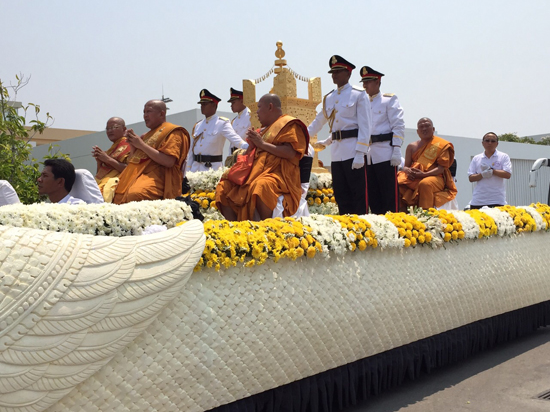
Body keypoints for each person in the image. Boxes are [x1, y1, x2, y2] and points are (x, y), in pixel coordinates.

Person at [216, 94, 309, 221]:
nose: (257, 112)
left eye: (259, 107)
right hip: (255, 174)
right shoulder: (262, 131)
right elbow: (251, 157)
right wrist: (251, 147)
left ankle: (265, 227)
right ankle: (236, 226)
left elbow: (290, 153)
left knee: (261, 186)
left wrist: (262, 144)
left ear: (270, 107)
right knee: (224, 186)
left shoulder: (289, 124)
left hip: (279, 176)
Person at [308, 55, 372, 215]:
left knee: (358, 194)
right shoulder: (330, 98)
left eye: (338, 71)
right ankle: (345, 225)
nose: (334, 75)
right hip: (337, 152)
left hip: (353, 150)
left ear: (348, 73)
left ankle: (362, 225)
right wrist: (303, 135)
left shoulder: (358, 94)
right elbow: (319, 121)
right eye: (332, 72)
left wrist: (360, 152)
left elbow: (365, 126)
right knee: (341, 193)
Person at [113, 100, 190, 204]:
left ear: (161, 114)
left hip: (159, 177)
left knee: (135, 194)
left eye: (148, 111)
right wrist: (133, 145)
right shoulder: (146, 136)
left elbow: (169, 161)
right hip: (137, 176)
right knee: (115, 194)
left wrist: (141, 145)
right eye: (144, 112)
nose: (145, 115)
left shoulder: (173, 132)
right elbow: (132, 161)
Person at [360, 66, 405, 214]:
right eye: (363, 82)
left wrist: (397, 149)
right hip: (368, 154)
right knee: (373, 197)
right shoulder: (362, 102)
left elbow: (398, 125)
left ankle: (393, 224)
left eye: (368, 81)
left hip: (385, 152)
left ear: (377, 82)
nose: (364, 85)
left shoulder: (388, 100)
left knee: (389, 196)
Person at [397, 118, 457, 209]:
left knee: (425, 184)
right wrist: (408, 171)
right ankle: (402, 214)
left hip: (436, 177)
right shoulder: (411, 146)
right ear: (417, 131)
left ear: (433, 129)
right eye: (421, 127)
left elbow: (441, 168)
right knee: (398, 183)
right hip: (415, 176)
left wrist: (424, 174)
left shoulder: (441, 145)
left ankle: (425, 213)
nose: (424, 129)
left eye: (427, 126)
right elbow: (406, 166)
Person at [186, 89, 248, 173]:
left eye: (205, 104)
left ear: (214, 105)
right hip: (195, 169)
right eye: (201, 104)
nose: (202, 106)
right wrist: (187, 171)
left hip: (212, 169)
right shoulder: (198, 125)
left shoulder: (222, 123)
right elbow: (191, 151)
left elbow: (235, 139)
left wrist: (248, 147)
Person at [467, 132, 512, 208]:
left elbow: (507, 174)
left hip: (497, 200)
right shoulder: (476, 158)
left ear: (497, 144)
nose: (490, 143)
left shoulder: (503, 156)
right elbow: (471, 178)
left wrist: (492, 171)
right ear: (482, 143)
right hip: (478, 200)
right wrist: (482, 174)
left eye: (493, 141)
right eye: (487, 140)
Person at [92, 117, 131, 202]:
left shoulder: (130, 144)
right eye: (108, 129)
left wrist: (107, 159)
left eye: (114, 127)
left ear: (124, 129)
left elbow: (130, 169)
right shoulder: (111, 150)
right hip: (103, 183)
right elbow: (100, 175)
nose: (110, 131)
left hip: (118, 184)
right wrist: (99, 162)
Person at [227, 87, 251, 156]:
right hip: (233, 156)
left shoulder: (251, 116)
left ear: (241, 101)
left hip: (245, 154)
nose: (231, 106)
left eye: (233, 103)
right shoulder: (234, 120)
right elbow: (232, 144)